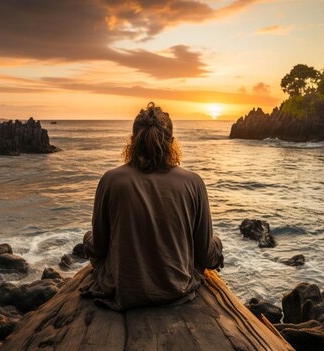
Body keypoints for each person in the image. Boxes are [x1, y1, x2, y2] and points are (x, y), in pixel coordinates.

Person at [81, 102, 224, 311]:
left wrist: (88, 240)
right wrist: (217, 247)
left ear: (132, 141)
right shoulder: (193, 182)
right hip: (177, 289)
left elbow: (99, 246)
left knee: (89, 237)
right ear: (172, 143)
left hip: (123, 288)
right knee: (214, 242)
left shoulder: (111, 180)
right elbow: (205, 255)